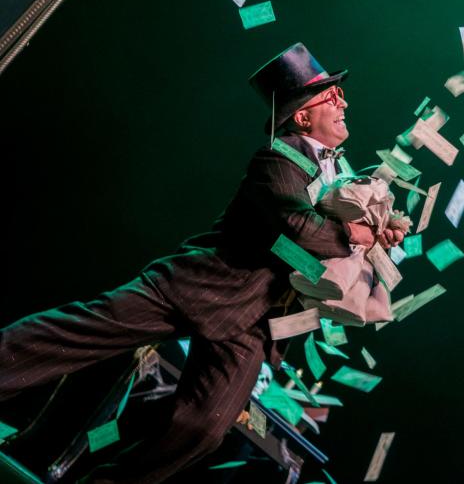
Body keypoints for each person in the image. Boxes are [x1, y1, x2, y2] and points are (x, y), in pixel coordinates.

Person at [0, 43, 403, 482]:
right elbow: (299, 228)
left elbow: (322, 248)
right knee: (81, 332)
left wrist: (379, 234)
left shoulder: (336, 170)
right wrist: (352, 234)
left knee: (202, 429)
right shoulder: (278, 157)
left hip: (250, 321)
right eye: (329, 95)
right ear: (302, 117)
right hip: (199, 285)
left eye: (337, 93)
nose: (342, 100)